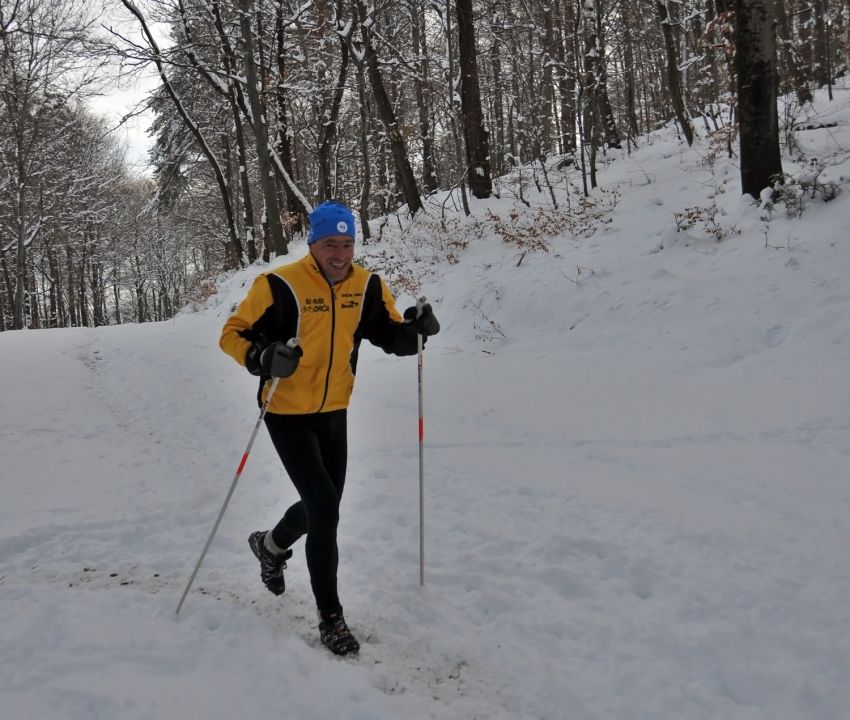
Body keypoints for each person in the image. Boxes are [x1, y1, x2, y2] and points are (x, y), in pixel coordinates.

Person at [219, 200, 439, 655]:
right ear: (312, 244)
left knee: (326, 504)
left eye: (347, 244)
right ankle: (331, 616)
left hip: (334, 409)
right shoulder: (279, 284)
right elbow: (233, 332)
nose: (340, 254)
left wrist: (416, 332)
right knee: (324, 506)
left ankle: (270, 544)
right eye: (330, 244)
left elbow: (389, 334)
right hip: (285, 410)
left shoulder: (368, 285)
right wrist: (260, 356)